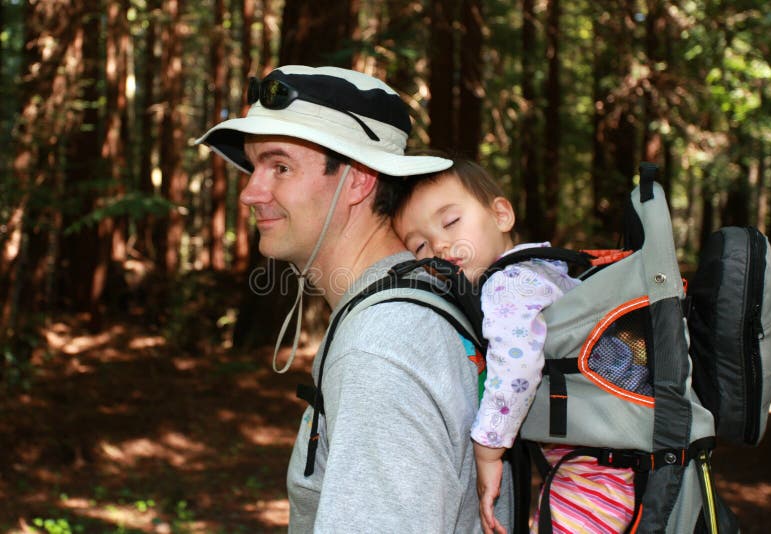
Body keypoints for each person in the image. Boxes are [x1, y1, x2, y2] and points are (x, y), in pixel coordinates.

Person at [196, 66, 512, 532]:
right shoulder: (411, 301)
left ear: (358, 180)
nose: (250, 192)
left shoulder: (382, 344)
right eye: (253, 166)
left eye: (279, 166)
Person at [390, 158, 636, 534]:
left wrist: (488, 448)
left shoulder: (507, 284)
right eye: (420, 245)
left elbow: (517, 365)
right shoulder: (541, 266)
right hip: (608, 452)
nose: (439, 244)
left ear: (501, 214)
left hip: (595, 470)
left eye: (451, 221)